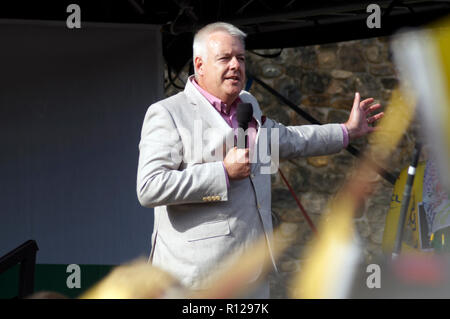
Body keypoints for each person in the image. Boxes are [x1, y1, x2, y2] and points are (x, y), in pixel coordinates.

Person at [136, 22, 383, 298]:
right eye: (225, 58)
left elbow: (288, 140)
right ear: (200, 65)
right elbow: (149, 187)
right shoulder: (167, 114)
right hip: (196, 280)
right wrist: (223, 172)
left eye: (240, 58)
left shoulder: (248, 105)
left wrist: (346, 130)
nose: (235, 65)